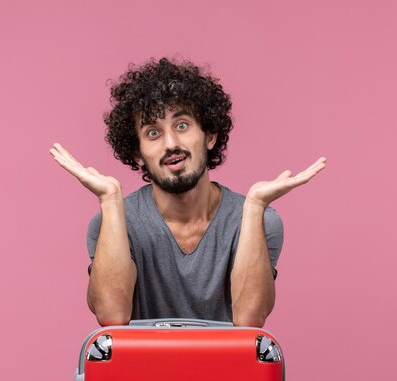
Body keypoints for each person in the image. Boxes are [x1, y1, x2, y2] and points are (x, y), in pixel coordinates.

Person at [50, 57, 326, 327]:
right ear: (137, 154)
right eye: (153, 133)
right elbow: (111, 316)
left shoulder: (262, 220)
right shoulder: (110, 223)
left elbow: (249, 320)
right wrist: (109, 200)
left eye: (182, 126)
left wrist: (254, 207)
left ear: (209, 135)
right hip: (140, 374)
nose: (171, 143)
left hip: (227, 373)